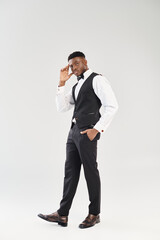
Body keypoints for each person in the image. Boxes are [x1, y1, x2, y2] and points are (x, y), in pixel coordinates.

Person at [38, 51, 118, 229]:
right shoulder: (76, 86)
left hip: (87, 133)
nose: (73, 68)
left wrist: (96, 129)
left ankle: (94, 213)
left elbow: (112, 105)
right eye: (71, 65)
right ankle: (62, 214)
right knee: (70, 173)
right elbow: (62, 107)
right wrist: (61, 83)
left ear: (85, 62)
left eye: (76, 63)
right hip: (73, 133)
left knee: (90, 172)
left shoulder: (97, 80)